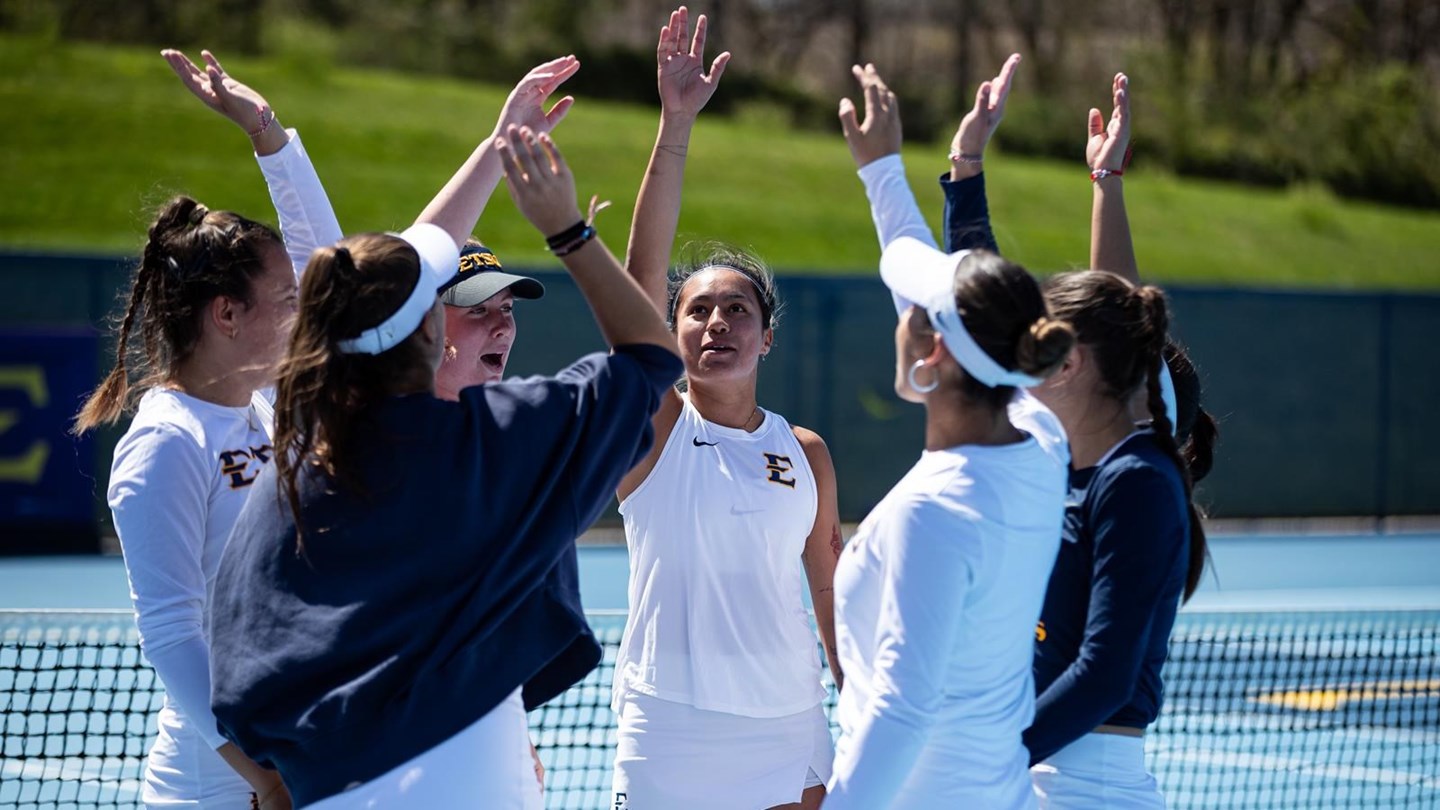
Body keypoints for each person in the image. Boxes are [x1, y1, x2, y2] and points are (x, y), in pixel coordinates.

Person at [206, 125, 681, 809]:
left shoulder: (296, 468)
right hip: (463, 772)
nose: (500, 323)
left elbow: (237, 665)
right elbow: (650, 361)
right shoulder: (497, 438)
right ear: (431, 330)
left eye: (505, 308)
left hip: (330, 786)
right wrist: (567, 230)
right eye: (460, 303)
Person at [935, 66, 1215, 807]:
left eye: (1042, 342)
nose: (1017, 356)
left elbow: (1105, 674)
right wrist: (966, 173)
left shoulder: (1136, 479)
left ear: (1078, 364)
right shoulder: (1064, 453)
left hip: (1081, 780)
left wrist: (988, 760)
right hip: (1035, 767)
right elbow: (993, 309)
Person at [607, 8, 844, 809]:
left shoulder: (805, 451)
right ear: (668, 335)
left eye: (737, 310)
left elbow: (825, 582)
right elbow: (639, 281)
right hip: (669, 726)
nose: (717, 323)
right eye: (696, 311)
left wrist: (853, 679)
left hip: (789, 722)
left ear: (767, 337)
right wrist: (676, 126)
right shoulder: (656, 427)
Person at [825, 63, 1076, 809]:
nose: (899, 313)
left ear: (932, 351)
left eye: (913, 313)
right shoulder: (1041, 441)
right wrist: (883, 172)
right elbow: (955, 310)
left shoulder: (935, 511)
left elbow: (902, 711)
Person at [161, 49, 566, 401]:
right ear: (421, 321)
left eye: (507, 307)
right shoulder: (343, 405)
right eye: (477, 309)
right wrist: (269, 137)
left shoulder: (496, 438)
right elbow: (320, 258)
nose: (502, 326)